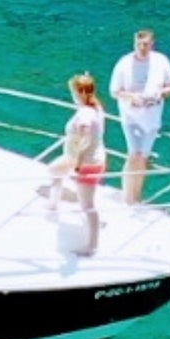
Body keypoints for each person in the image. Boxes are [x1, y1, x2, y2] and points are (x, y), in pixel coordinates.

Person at [109, 28, 170, 204]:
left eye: (145, 44)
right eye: (139, 44)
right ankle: (127, 195)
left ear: (152, 44)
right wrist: (132, 97)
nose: (142, 47)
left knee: (143, 157)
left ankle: (136, 195)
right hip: (131, 115)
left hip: (152, 115)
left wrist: (158, 94)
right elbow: (114, 91)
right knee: (134, 154)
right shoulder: (124, 63)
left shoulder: (161, 61)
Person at [48, 73, 106, 256]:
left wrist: (77, 166)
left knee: (87, 206)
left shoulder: (85, 115)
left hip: (86, 164)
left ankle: (92, 246)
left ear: (79, 92)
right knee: (54, 169)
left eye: (72, 90)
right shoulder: (96, 107)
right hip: (83, 159)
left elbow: (85, 140)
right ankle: (53, 204)